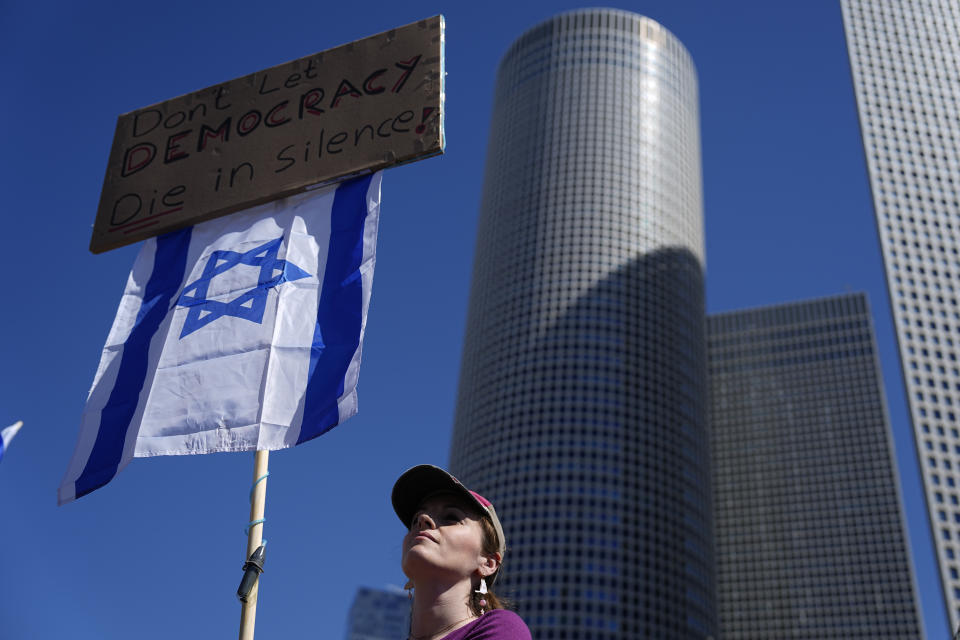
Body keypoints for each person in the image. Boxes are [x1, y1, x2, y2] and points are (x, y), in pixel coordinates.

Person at [392, 464, 532, 640]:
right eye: (414, 521)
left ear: (488, 563)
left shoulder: (504, 629)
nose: (422, 520)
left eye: (451, 517)